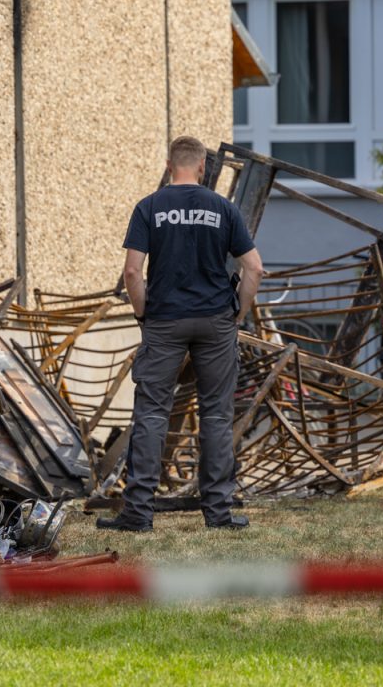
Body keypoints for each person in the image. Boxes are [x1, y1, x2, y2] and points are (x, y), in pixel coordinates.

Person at [97, 136, 263, 532]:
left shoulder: (149, 207)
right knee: (217, 416)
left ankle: (138, 514)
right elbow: (254, 268)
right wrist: (237, 314)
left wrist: (144, 315)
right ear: (203, 167)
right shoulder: (224, 208)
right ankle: (219, 515)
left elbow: (133, 272)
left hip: (166, 320)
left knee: (153, 413)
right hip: (215, 321)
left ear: (170, 164)